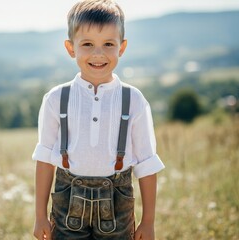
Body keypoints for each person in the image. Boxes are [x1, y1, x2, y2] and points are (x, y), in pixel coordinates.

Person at [32, 0, 165, 239]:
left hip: (117, 205)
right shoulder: (56, 98)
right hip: (66, 203)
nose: (98, 54)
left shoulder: (133, 99)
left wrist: (148, 222)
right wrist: (40, 215)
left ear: (121, 48)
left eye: (108, 44)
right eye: (87, 44)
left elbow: (146, 163)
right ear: (71, 48)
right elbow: (44, 159)